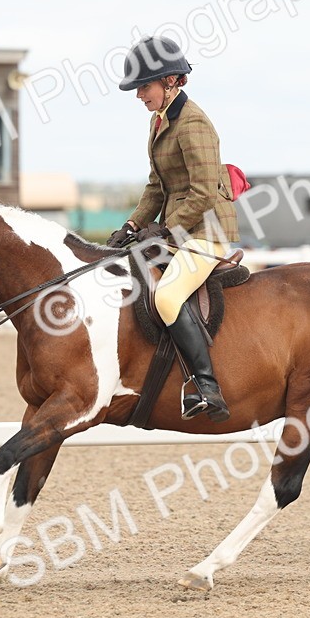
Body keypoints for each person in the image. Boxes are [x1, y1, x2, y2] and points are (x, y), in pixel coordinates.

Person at [106, 36, 240, 422]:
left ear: (170, 82)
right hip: (179, 229)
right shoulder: (160, 119)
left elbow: (200, 193)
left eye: (143, 87)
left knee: (166, 296)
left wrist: (165, 230)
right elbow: (156, 186)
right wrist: (131, 224)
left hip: (206, 231)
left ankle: (207, 386)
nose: (138, 96)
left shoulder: (194, 123)